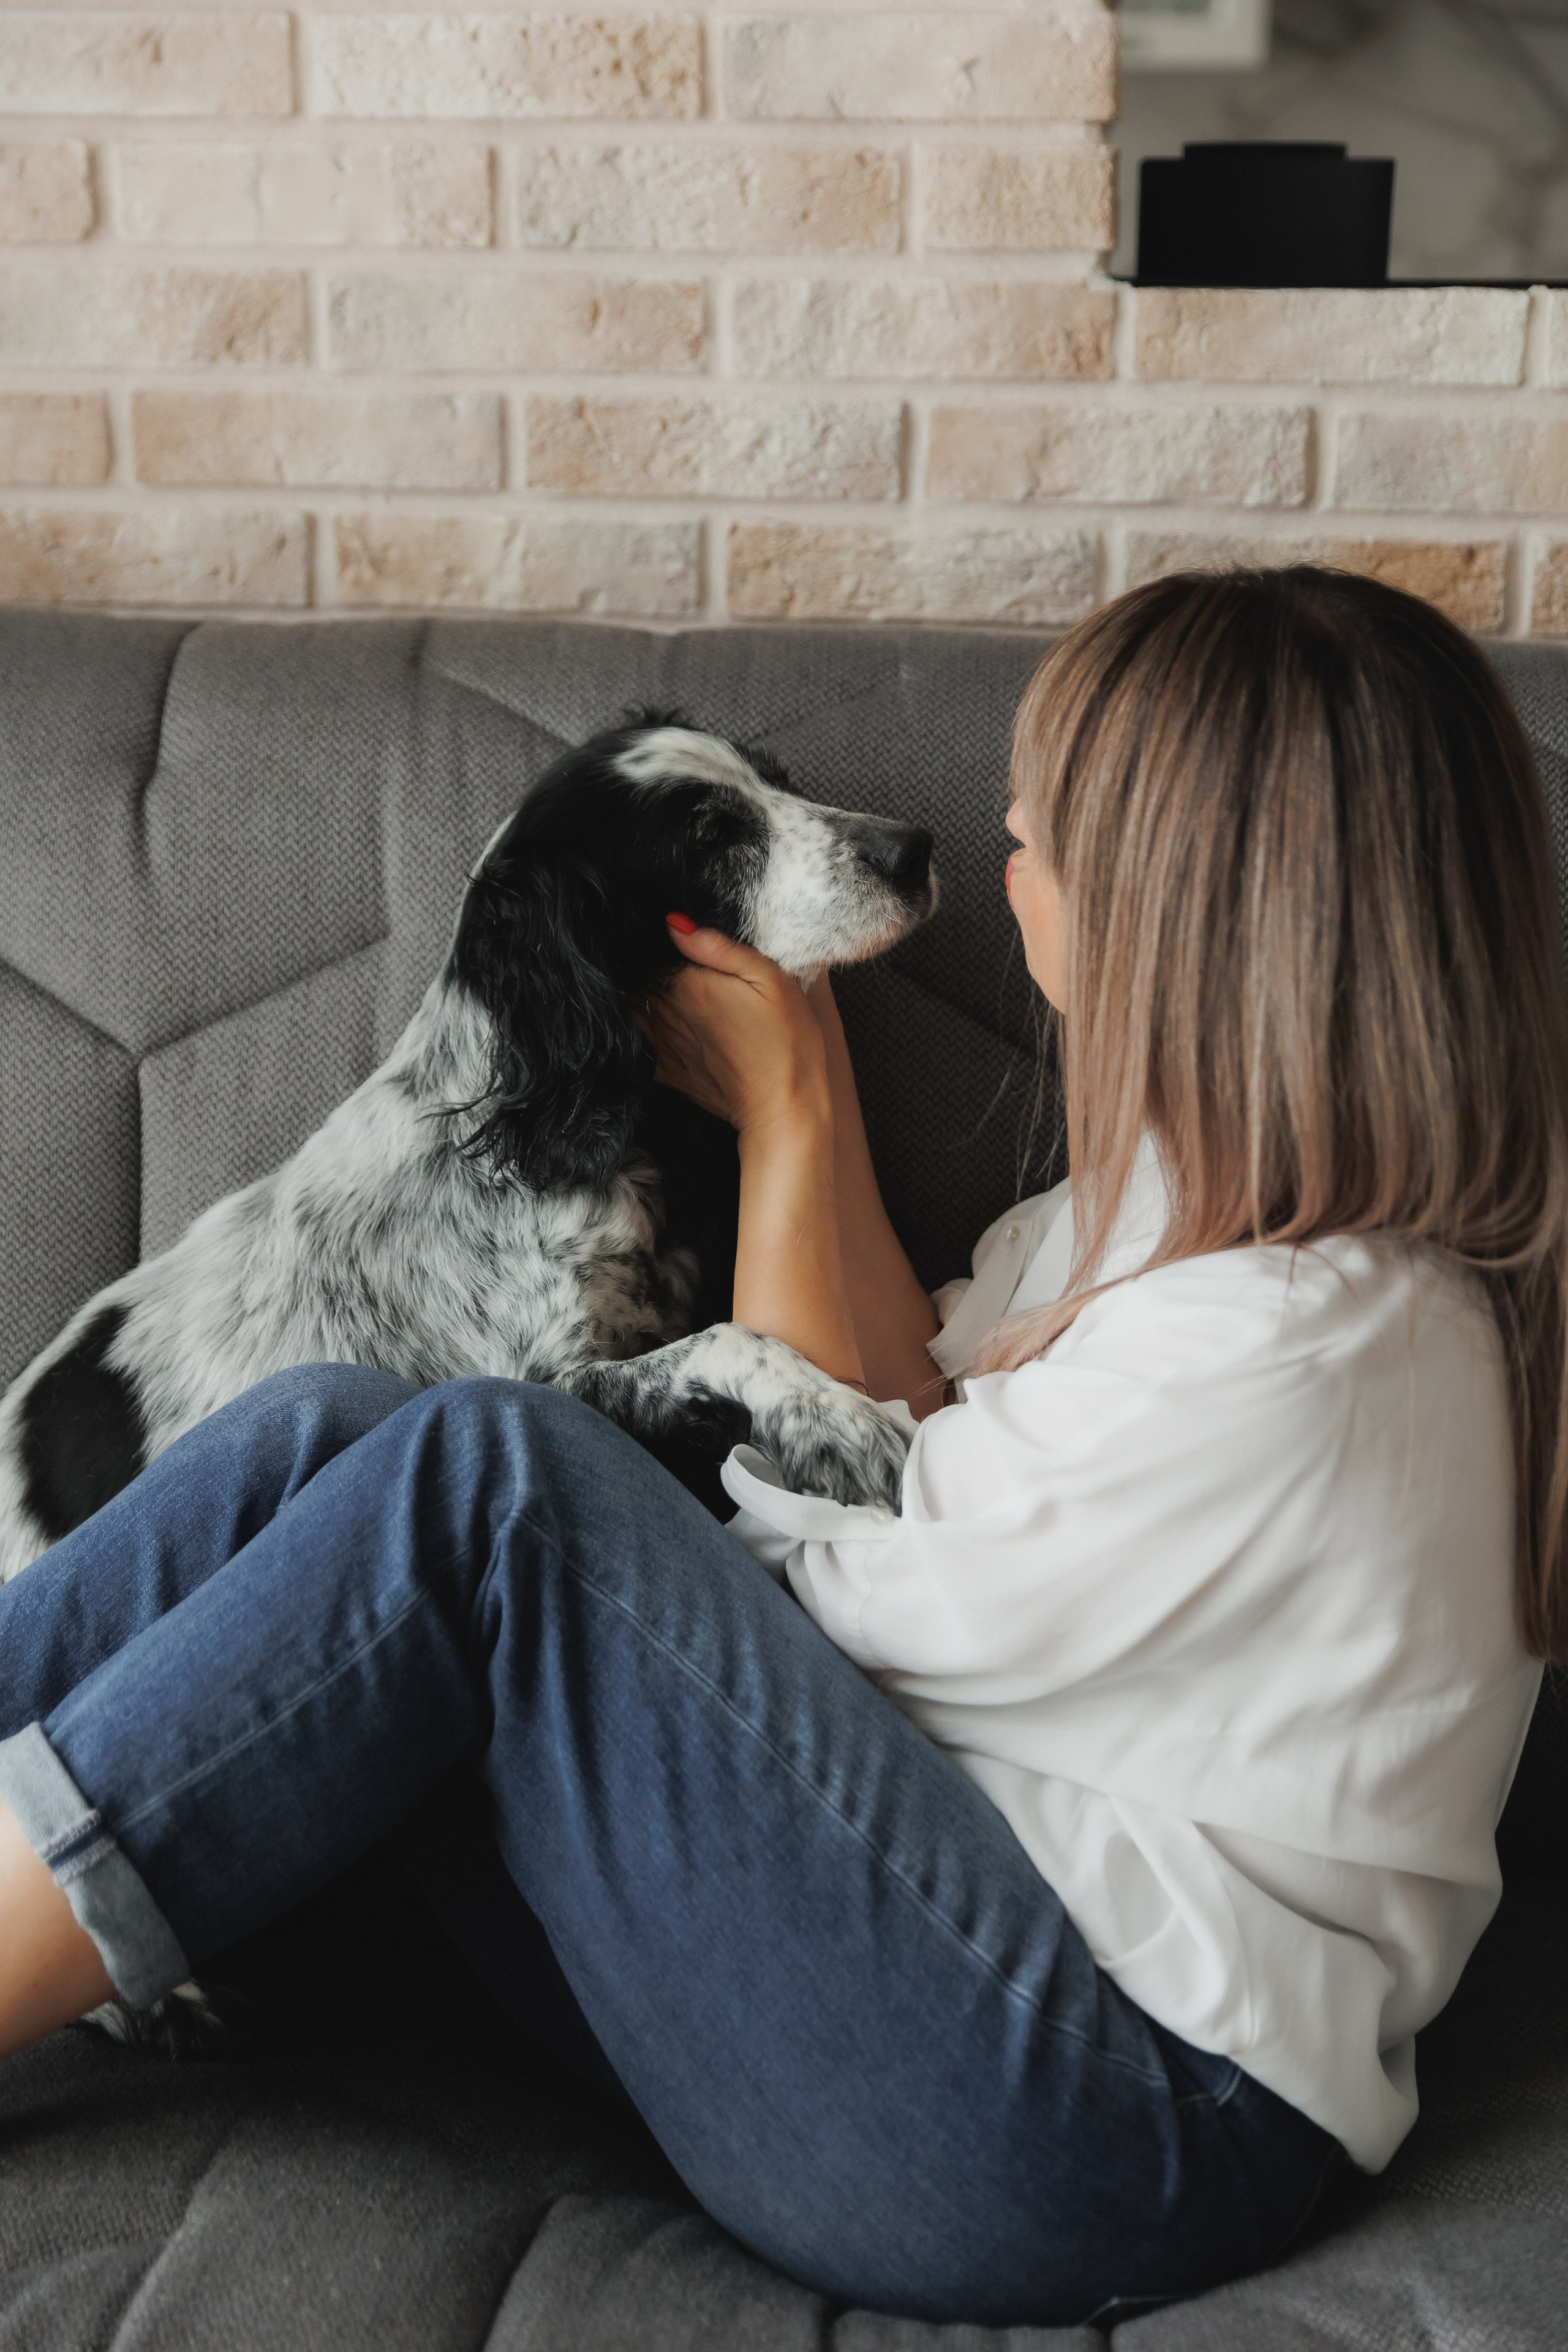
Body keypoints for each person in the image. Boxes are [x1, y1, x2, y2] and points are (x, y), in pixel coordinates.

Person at [0, 567, 1561, 2329]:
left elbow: (845, 1555)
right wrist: (800, 1092)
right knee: (344, 1430)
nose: (1003, 823)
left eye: (1058, 815)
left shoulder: (1317, 1336)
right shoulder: (1173, 1221)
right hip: (966, 1993)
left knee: (482, 1483)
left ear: (1206, 907)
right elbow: (905, 1407)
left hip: (1108, 2120)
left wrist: (765, 1204)